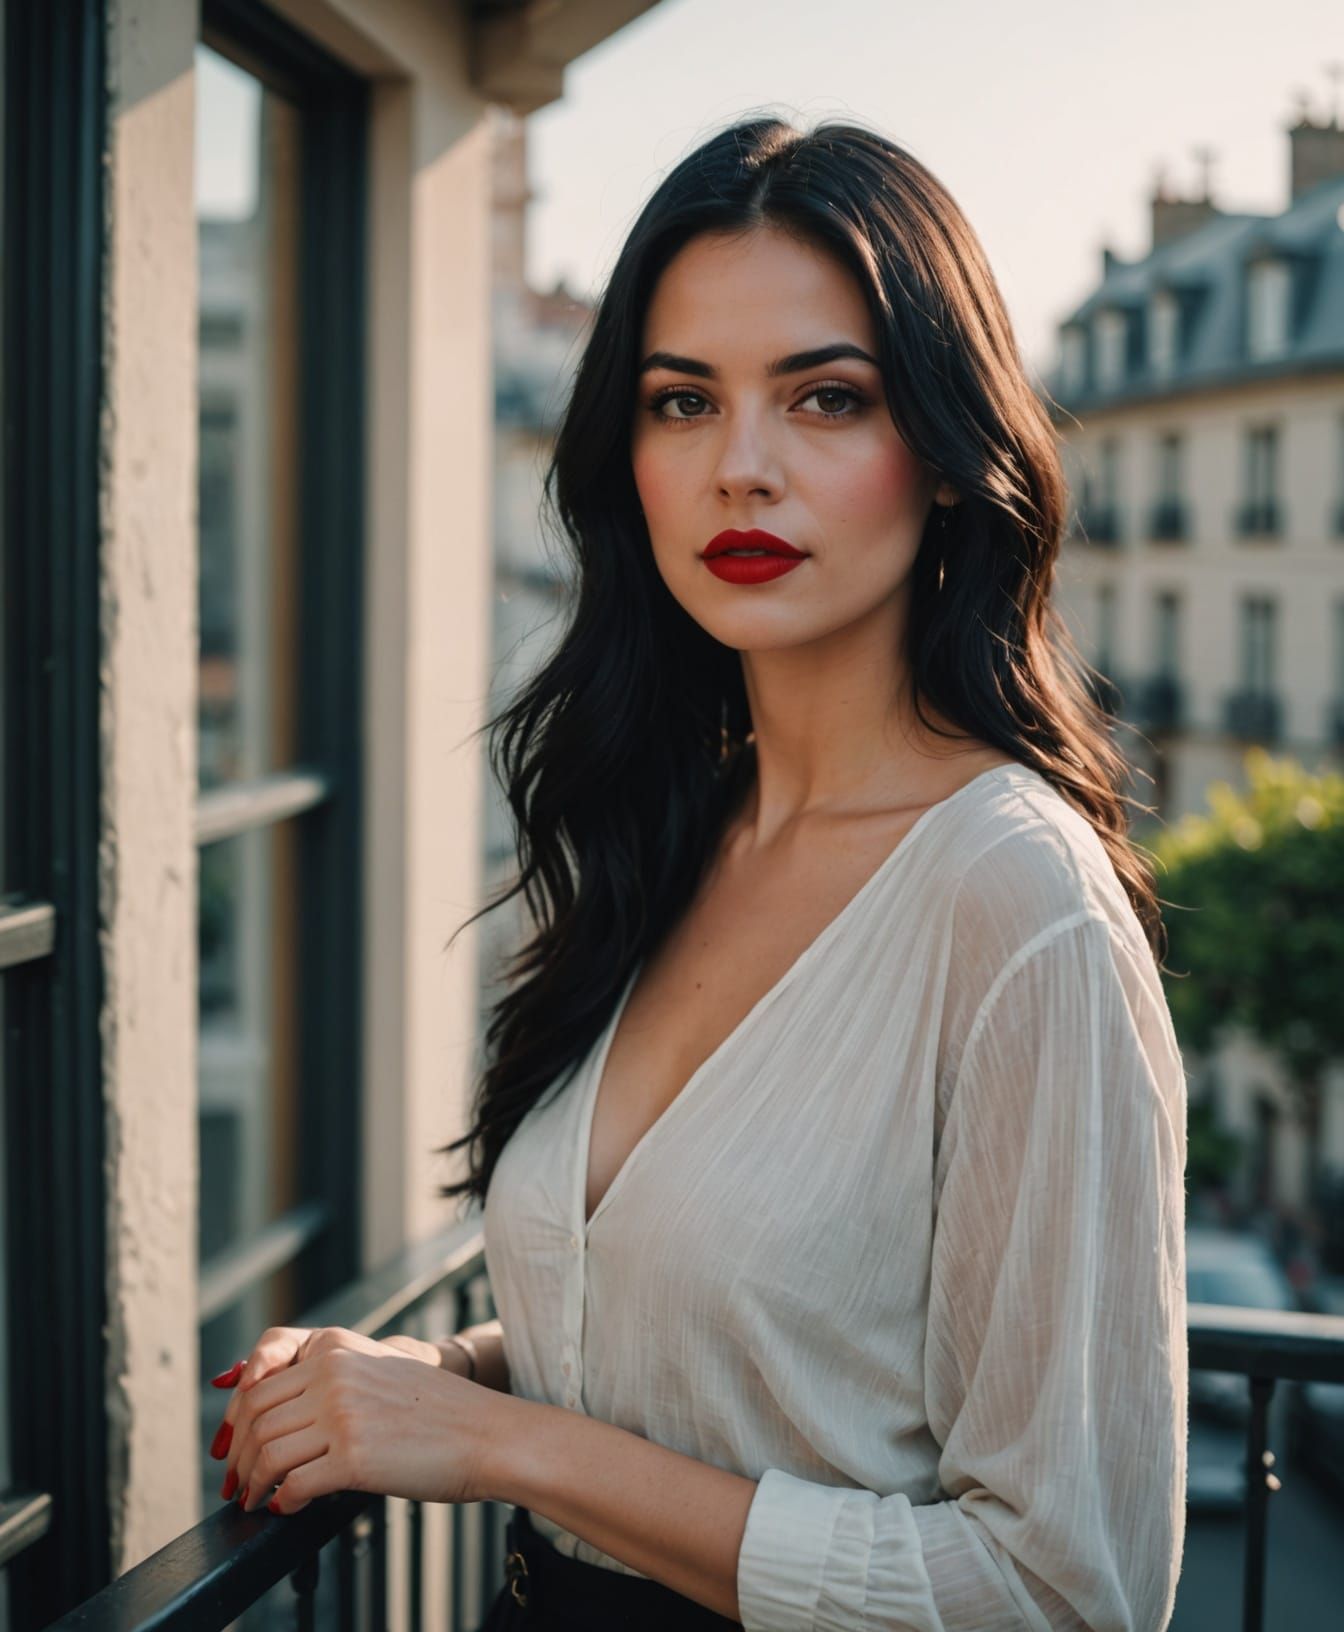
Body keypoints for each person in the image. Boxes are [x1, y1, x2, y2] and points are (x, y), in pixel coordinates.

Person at [209, 115, 1189, 1631]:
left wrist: (497, 1441)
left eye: (826, 398)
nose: (743, 468)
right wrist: (440, 1377)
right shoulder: (667, 828)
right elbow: (707, 1355)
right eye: (683, 402)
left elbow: (1065, 1590)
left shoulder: (1018, 907)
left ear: (941, 451)